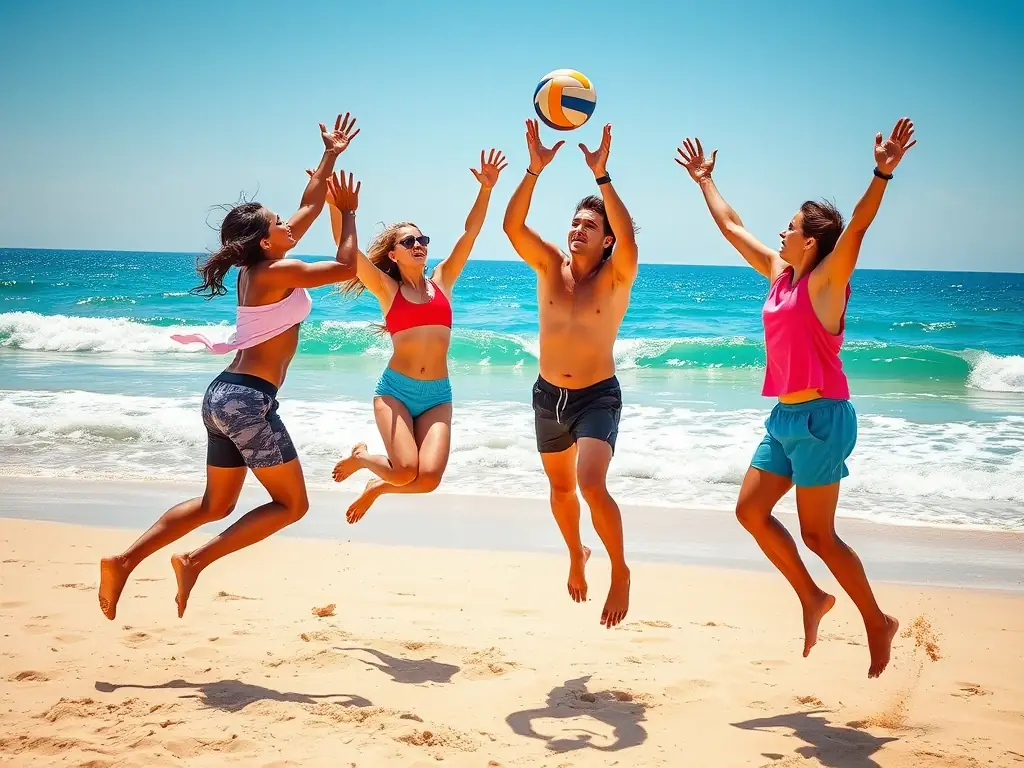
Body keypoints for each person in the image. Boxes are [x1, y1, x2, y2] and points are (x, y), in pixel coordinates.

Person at [675, 118, 916, 677]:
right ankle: (812, 598)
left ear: (809, 241)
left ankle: (877, 621)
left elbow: (855, 229)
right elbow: (733, 228)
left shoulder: (826, 282)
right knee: (750, 511)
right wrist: (705, 180)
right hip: (786, 417)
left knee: (817, 534)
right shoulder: (781, 276)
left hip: (823, 419)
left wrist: (881, 172)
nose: (779, 234)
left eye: (788, 228)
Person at [97, 113, 361, 620]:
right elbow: (347, 267)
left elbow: (307, 206)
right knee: (292, 506)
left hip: (223, 395)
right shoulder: (278, 269)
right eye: (279, 223)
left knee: (214, 505)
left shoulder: (259, 266)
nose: (290, 225)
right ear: (266, 241)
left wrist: (330, 155)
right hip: (247, 401)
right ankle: (195, 561)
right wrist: (348, 213)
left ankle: (124, 560)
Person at [502, 119, 639, 629]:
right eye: (575, 222)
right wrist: (534, 170)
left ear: (607, 241)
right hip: (547, 397)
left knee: (590, 483)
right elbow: (512, 227)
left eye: (590, 226)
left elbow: (628, 237)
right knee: (561, 493)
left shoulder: (617, 274)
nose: (578, 229)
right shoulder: (549, 266)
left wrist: (603, 177)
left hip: (597, 398)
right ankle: (577, 554)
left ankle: (620, 570)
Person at [328, 149, 508, 522]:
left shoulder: (442, 281)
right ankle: (363, 459)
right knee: (403, 470)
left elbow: (470, 232)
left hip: (438, 395)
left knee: (427, 480)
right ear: (393, 255)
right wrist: (341, 209)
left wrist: (486, 190)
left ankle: (377, 485)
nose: (418, 245)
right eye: (408, 242)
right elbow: (348, 256)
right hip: (395, 392)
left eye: (421, 239)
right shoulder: (386, 290)